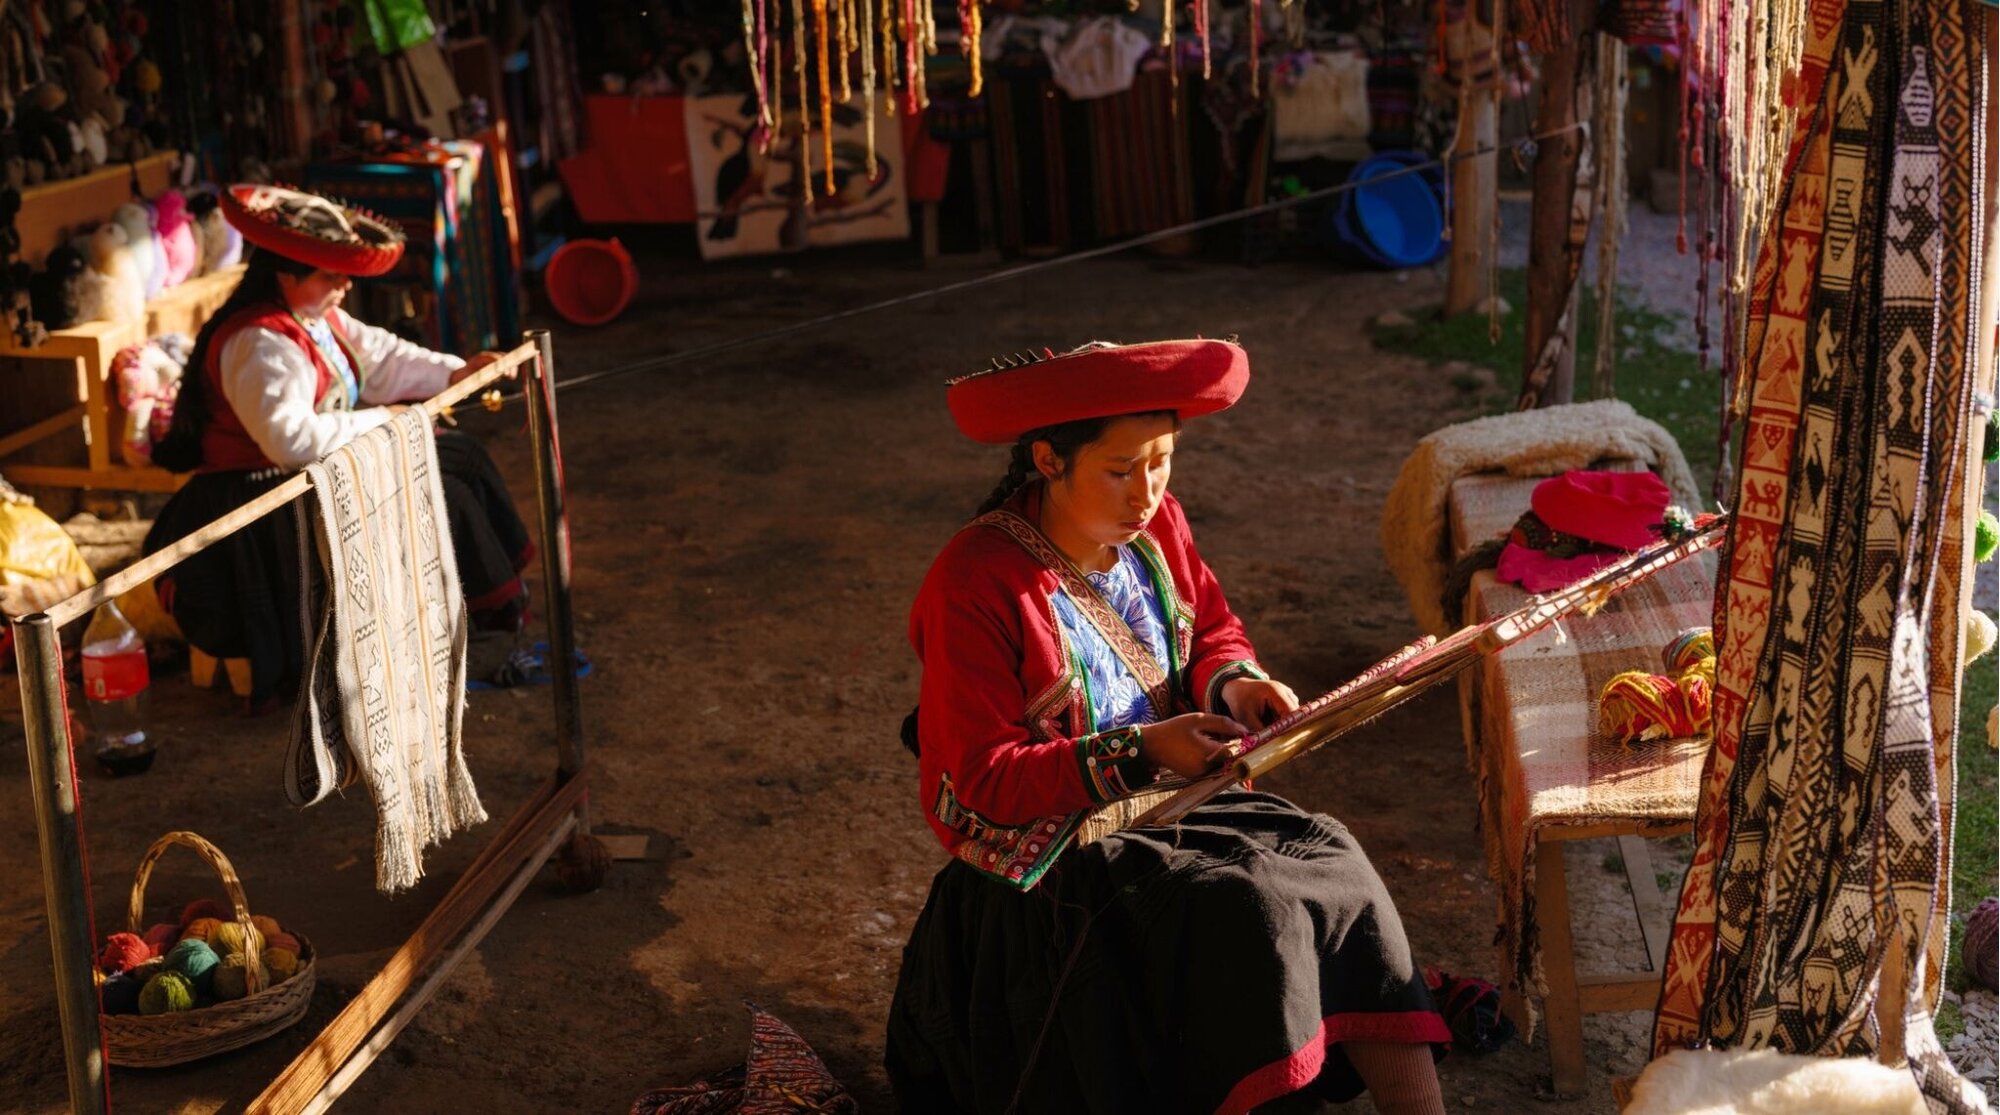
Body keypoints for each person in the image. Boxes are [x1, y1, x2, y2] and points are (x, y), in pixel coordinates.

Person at [886, 340, 1449, 1114]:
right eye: (1122, 469)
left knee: (1333, 857)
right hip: (1058, 860)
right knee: (1253, 908)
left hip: (1176, 804)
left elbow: (1212, 627)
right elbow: (981, 776)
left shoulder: (1158, 528)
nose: (1146, 492)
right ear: (1049, 460)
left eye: (1163, 462)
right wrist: (1142, 749)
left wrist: (1241, 685)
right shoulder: (976, 582)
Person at [145, 184, 533, 710]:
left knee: (457, 453)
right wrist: (389, 421)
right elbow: (290, 441)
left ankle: (489, 605)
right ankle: (476, 623)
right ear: (287, 273)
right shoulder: (258, 343)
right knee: (435, 487)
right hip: (262, 503)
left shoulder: (317, 319)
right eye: (332, 274)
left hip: (303, 475)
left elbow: (383, 359)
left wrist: (458, 371)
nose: (346, 285)